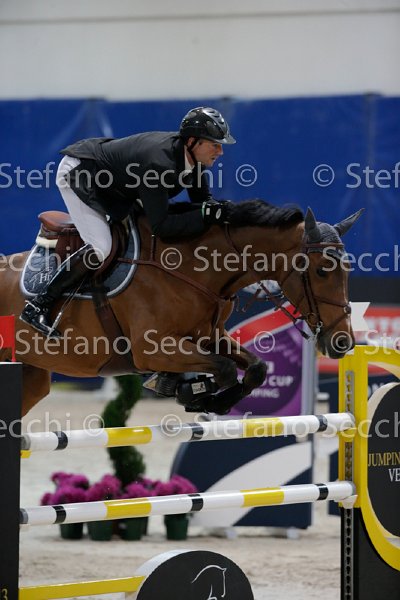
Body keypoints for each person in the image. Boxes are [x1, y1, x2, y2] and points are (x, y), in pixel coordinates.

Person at [20, 107, 236, 338]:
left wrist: (219, 213)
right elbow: (162, 227)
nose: (221, 151)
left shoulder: (192, 158)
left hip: (115, 185)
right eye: (215, 144)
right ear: (193, 142)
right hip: (81, 174)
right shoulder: (158, 163)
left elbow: (203, 204)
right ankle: (39, 305)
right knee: (101, 247)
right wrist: (206, 214)